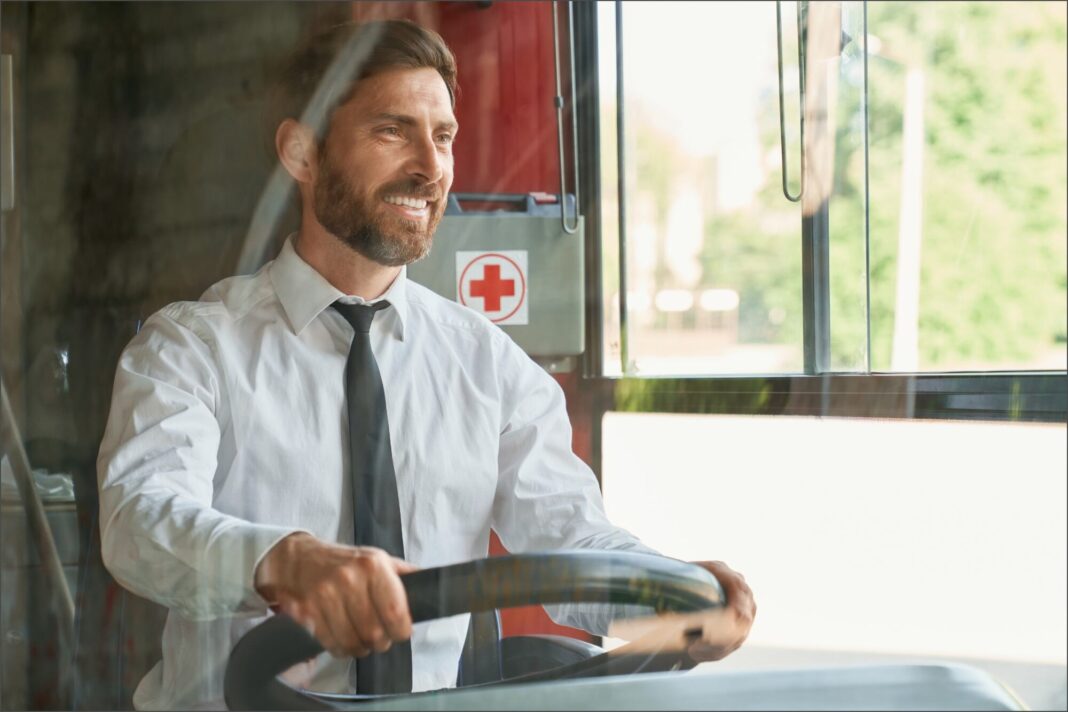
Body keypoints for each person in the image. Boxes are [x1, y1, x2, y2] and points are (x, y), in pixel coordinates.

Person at [97, 19, 755, 710]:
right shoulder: (192, 348)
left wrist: (666, 591)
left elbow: (572, 535)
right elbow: (141, 519)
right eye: (392, 131)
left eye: (443, 136)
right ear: (302, 152)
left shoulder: (488, 365)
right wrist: (286, 561)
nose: (432, 167)